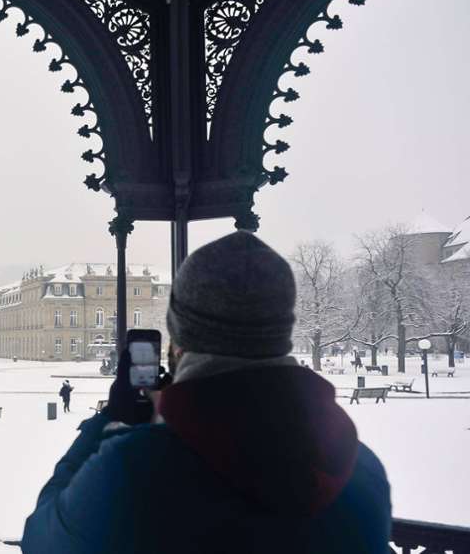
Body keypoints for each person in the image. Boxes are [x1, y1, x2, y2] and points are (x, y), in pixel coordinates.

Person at [22, 231, 391, 554]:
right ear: (283, 331)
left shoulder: (134, 470)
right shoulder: (362, 469)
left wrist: (107, 423)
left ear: (178, 336)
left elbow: (41, 539)